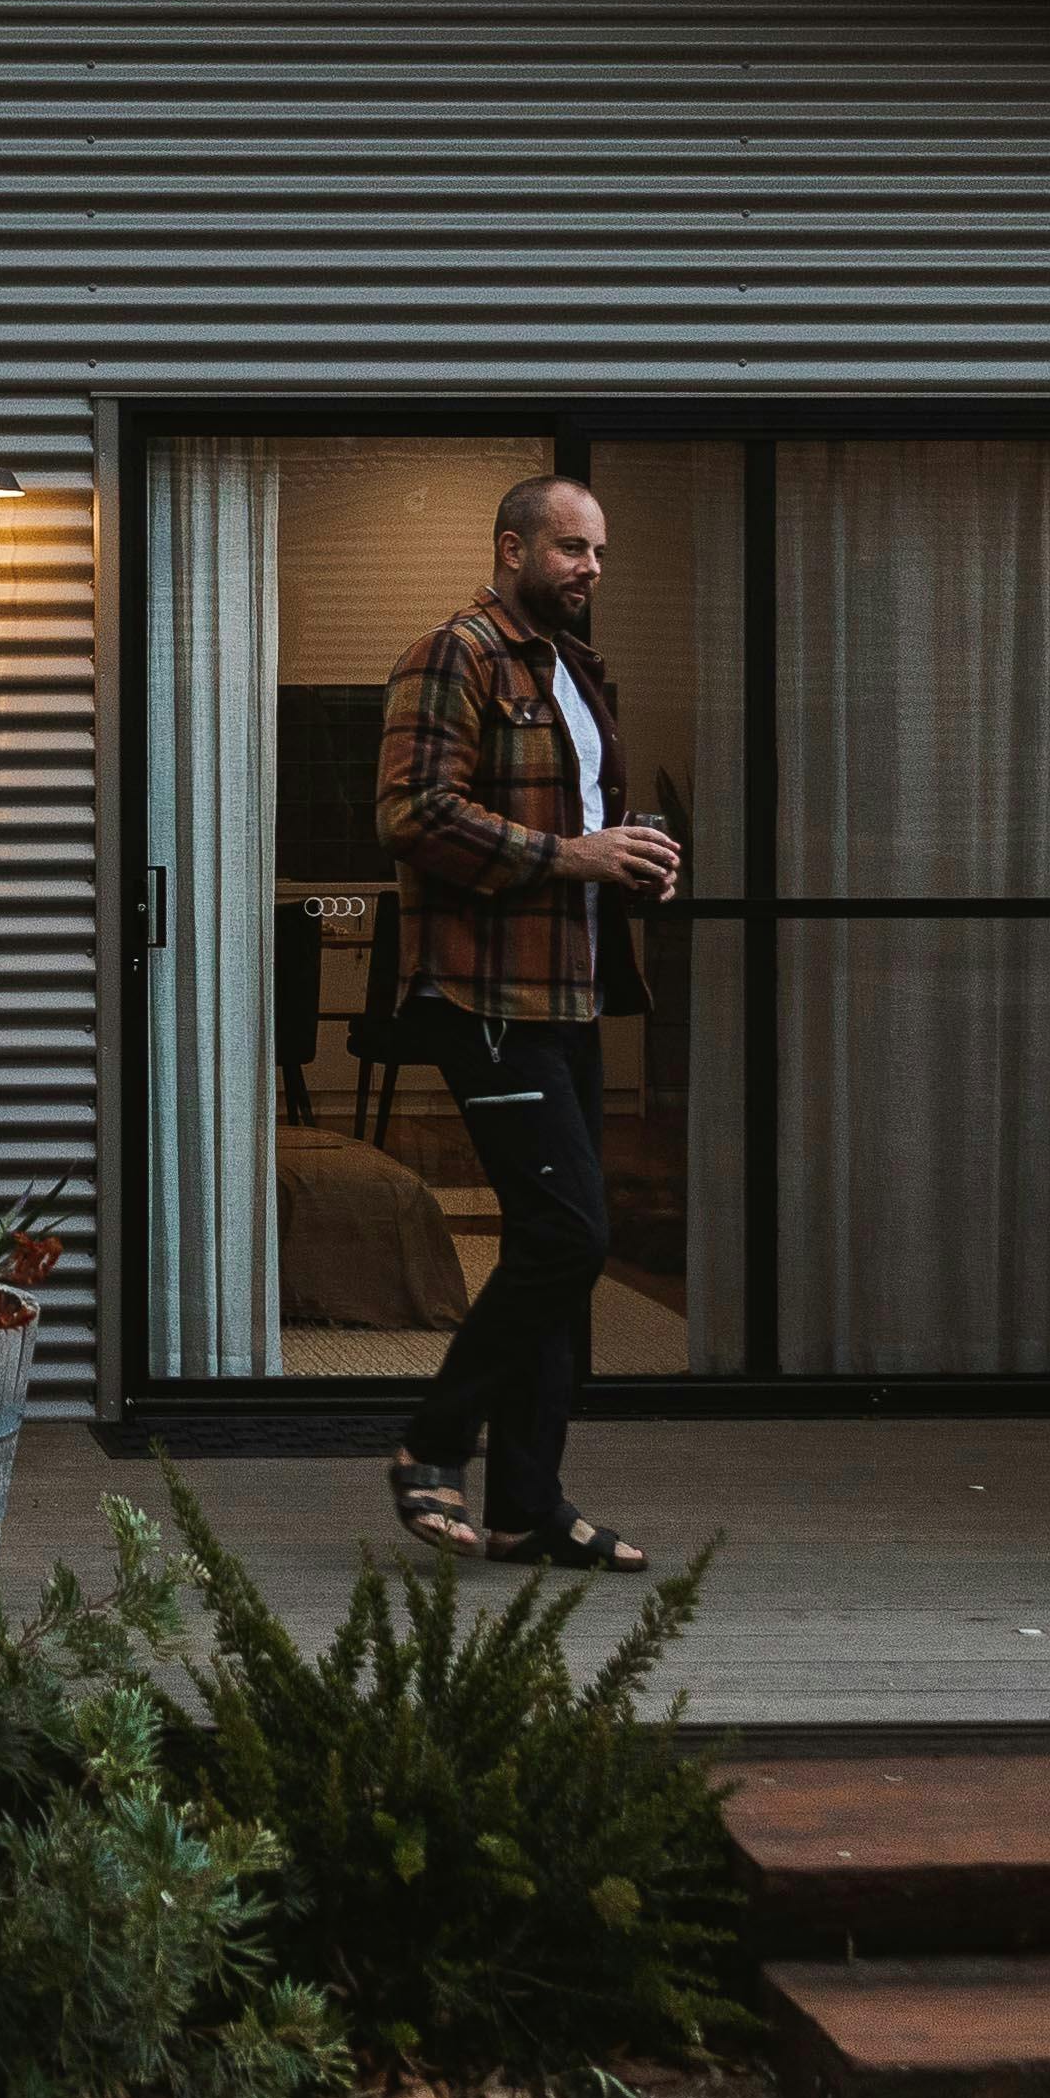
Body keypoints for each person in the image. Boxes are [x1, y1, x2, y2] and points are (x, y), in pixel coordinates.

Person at [368, 474, 677, 1571]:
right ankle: (432, 1440)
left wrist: (629, 869)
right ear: (511, 548)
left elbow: (582, 827)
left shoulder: (573, 669)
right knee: (567, 1235)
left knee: (558, 1244)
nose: (590, 568)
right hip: (487, 996)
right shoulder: (451, 654)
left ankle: (525, 1507)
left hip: (572, 992)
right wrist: (571, 856)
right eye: (570, 548)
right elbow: (412, 814)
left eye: (598, 551)